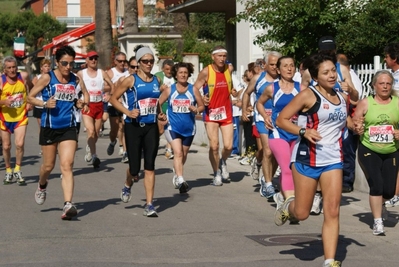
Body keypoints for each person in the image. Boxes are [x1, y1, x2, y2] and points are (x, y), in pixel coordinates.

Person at [274, 53, 349, 267]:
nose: (332, 75)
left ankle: (330, 261)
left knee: (332, 210)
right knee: (303, 213)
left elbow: (345, 121)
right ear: (316, 76)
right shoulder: (308, 95)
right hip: (307, 159)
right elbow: (281, 119)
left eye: (333, 70)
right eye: (326, 72)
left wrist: (356, 125)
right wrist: (302, 131)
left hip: (333, 159)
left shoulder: (342, 96)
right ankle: (288, 206)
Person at [28, 45, 89, 220]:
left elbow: (85, 97)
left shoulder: (76, 79)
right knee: (48, 166)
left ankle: (68, 204)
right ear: (57, 62)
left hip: (68, 127)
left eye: (71, 64)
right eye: (65, 63)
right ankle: (42, 185)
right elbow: (30, 97)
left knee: (67, 165)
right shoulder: (47, 78)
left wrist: (81, 103)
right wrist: (44, 104)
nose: (68, 67)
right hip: (49, 127)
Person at [110, 45, 164, 217]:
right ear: (139, 63)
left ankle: (149, 204)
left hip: (151, 127)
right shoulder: (130, 80)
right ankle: (128, 184)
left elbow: (155, 102)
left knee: (150, 166)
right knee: (134, 169)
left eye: (151, 61)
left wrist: (160, 114)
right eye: (145, 61)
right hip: (133, 127)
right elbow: (113, 98)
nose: (149, 64)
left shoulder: (156, 80)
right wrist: (127, 112)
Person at [353, 70, 399, 236]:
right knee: (376, 185)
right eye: (381, 83)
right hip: (369, 149)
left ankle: (382, 204)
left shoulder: (397, 103)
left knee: (389, 191)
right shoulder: (366, 103)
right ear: (374, 86)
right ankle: (377, 221)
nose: (385, 86)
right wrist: (357, 127)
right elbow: (355, 122)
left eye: (388, 83)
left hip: (391, 150)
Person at [257, 56, 300, 207]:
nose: (289, 68)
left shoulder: (302, 89)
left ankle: (283, 197)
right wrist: (265, 117)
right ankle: (291, 204)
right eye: (285, 66)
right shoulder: (271, 88)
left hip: (296, 133)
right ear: (279, 69)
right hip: (277, 133)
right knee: (286, 167)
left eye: (292, 65)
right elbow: (259, 104)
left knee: (294, 169)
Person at [193, 45, 238, 186]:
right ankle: (216, 173)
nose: (222, 59)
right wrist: (201, 99)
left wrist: (233, 92)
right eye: (219, 56)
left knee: (229, 146)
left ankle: (222, 161)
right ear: (213, 57)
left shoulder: (228, 69)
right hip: (211, 113)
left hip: (226, 113)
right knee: (214, 146)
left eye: (224, 56)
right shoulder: (206, 71)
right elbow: (194, 88)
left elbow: (228, 85)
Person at [158, 62, 205, 193]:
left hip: (189, 129)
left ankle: (177, 173)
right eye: (180, 73)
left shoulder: (193, 89)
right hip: (172, 127)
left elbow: (202, 106)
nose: (183, 75)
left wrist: (196, 109)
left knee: (183, 155)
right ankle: (180, 179)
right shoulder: (169, 90)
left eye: (185, 73)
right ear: (176, 75)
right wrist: (161, 115)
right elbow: (158, 103)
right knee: (178, 153)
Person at [242, 51, 282, 199]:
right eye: (271, 64)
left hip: (279, 121)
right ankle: (269, 184)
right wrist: (245, 110)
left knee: (277, 153)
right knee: (268, 151)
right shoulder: (258, 78)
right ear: (264, 65)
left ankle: (267, 179)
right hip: (261, 118)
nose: (274, 67)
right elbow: (247, 93)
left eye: (277, 64)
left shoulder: (284, 79)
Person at [77, 51, 114, 169]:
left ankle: (89, 147)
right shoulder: (81, 73)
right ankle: (94, 156)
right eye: (91, 58)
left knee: (96, 133)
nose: (94, 60)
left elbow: (112, 85)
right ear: (86, 60)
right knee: (91, 131)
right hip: (87, 105)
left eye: (95, 58)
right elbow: (74, 88)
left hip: (99, 104)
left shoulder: (101, 73)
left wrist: (109, 94)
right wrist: (78, 101)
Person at [0, 56, 32, 185]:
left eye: (14, 67)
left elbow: (32, 88)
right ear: (5, 69)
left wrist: (30, 101)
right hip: (5, 118)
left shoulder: (23, 76)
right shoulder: (1, 81)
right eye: (9, 68)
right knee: (6, 146)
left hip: (20, 116)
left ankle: (18, 169)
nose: (12, 70)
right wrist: (4, 101)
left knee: (19, 144)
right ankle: (8, 169)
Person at [336, 53, 363, 193]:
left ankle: (347, 181)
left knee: (347, 149)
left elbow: (355, 100)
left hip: (349, 117)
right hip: (338, 117)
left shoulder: (351, 76)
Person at [383, 42, 399, 207]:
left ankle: (395, 194)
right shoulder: (390, 75)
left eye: (387, 56)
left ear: (394, 58)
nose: (385, 59)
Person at [106, 52, 128, 159]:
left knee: (124, 127)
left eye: (124, 61)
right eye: (120, 61)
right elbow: (104, 87)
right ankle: (113, 141)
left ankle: (125, 152)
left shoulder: (128, 73)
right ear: (115, 62)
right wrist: (112, 89)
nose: (122, 63)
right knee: (114, 130)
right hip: (113, 104)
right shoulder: (111, 73)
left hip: (125, 105)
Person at [155, 59, 176, 160]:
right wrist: (160, 89)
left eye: (171, 70)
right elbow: (152, 91)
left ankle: (169, 150)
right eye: (167, 69)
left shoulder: (176, 77)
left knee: (170, 129)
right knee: (160, 130)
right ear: (163, 68)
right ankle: (152, 142)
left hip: (172, 107)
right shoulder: (158, 76)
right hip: (160, 106)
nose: (169, 72)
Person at [228, 61, 245, 158]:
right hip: (227, 110)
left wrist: (235, 100)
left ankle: (235, 150)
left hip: (234, 110)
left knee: (234, 130)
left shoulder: (233, 78)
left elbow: (241, 89)